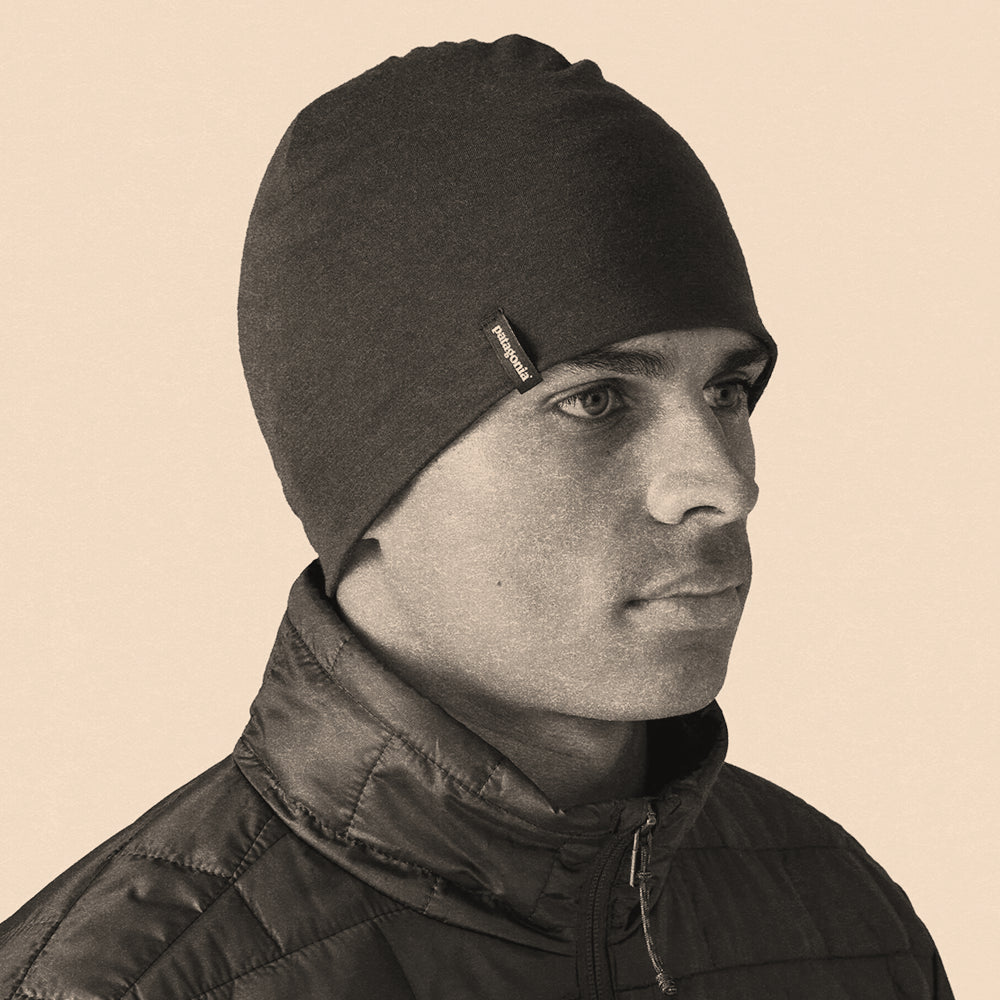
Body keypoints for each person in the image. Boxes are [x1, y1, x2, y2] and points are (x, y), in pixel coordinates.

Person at [0, 35, 952, 999]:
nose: (722, 485)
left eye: (728, 392)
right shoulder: (122, 985)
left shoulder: (844, 919)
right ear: (367, 470)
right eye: (596, 402)